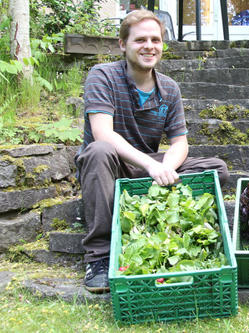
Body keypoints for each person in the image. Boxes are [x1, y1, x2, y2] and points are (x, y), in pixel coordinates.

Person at [75, 9, 229, 293]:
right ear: (123, 44)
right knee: (97, 151)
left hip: (146, 167)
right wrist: (151, 166)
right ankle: (98, 255)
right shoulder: (102, 76)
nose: (149, 46)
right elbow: (103, 134)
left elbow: (180, 143)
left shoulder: (169, 88)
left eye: (156, 40)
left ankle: (148, 202)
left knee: (217, 167)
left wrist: (166, 166)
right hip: (112, 163)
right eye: (140, 40)